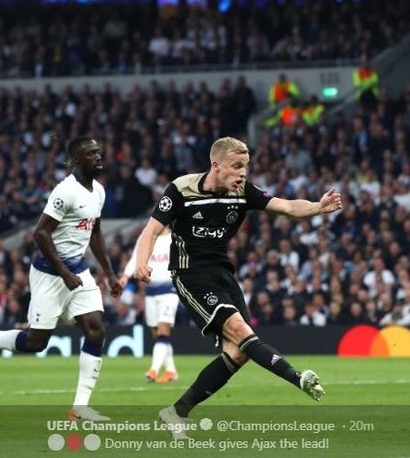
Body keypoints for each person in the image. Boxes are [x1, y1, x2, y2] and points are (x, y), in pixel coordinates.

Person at [133, 137, 341, 438]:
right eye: (236, 166)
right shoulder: (182, 189)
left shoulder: (243, 191)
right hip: (190, 273)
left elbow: (286, 206)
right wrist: (142, 262)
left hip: (223, 275)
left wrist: (317, 208)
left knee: (238, 352)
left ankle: (176, 412)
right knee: (243, 334)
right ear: (216, 165)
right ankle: (298, 378)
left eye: (246, 166)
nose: (243, 173)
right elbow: (152, 230)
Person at [0, 137, 123, 421]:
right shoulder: (65, 192)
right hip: (50, 273)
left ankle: (80, 408)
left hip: (78, 271)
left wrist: (109, 274)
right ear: (77, 160)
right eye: (91, 153)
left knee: (96, 329)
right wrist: (64, 273)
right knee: (36, 343)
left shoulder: (99, 191)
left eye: (98, 152)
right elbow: (40, 234)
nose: (98, 156)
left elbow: (94, 232)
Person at [120, 226, 179, 383]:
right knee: (156, 332)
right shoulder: (145, 236)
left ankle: (153, 370)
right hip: (151, 290)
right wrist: (125, 276)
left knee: (163, 330)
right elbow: (136, 258)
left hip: (170, 289)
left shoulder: (176, 237)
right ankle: (171, 371)